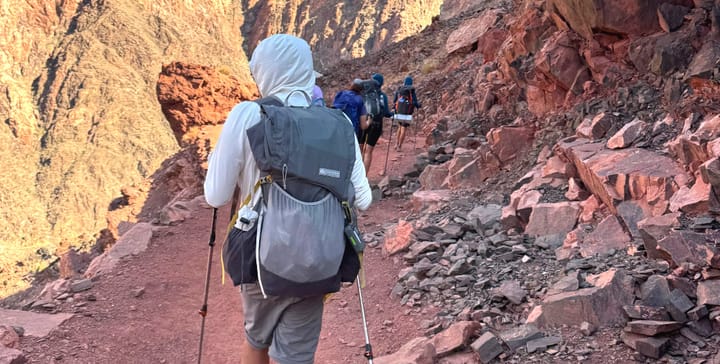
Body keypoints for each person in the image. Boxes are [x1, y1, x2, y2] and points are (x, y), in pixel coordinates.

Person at [204, 34, 372, 364]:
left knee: (257, 339)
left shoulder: (248, 115)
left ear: (264, 72)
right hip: (320, 257)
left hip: (261, 257)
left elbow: (216, 195)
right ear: (307, 72)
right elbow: (363, 200)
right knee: (296, 356)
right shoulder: (337, 122)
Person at [358, 73, 393, 175]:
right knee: (368, 151)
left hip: (363, 121)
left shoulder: (363, 93)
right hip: (376, 124)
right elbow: (386, 113)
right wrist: (392, 113)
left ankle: (356, 176)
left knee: (359, 149)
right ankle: (364, 177)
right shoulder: (382, 96)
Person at [392, 76, 421, 151]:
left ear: (404, 82)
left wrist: (394, 108)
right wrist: (418, 105)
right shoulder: (411, 91)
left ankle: (396, 144)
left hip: (399, 111)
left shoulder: (399, 90)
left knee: (399, 127)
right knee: (403, 128)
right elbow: (415, 102)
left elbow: (395, 100)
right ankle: (399, 146)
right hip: (407, 113)